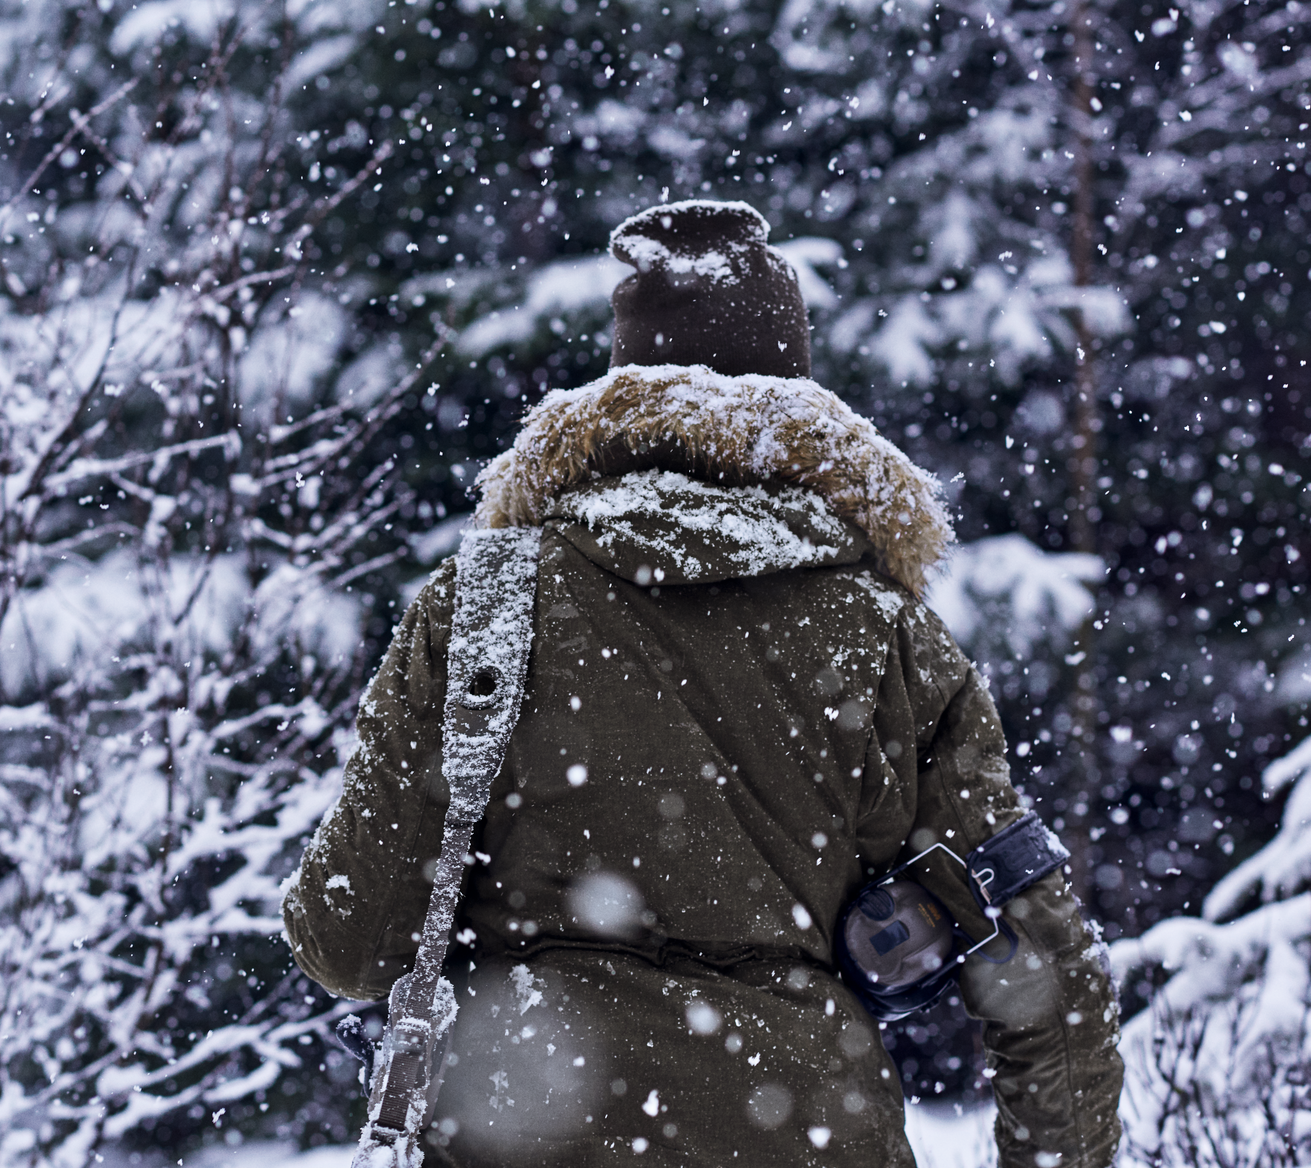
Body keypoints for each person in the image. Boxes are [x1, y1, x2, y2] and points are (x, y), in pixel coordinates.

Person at [282, 200, 1123, 1168]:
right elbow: (1044, 977)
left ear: (616, 383)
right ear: (800, 394)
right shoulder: (889, 635)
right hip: (800, 1125)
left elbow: (346, 938)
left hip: (524, 1116)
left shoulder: (491, 601)